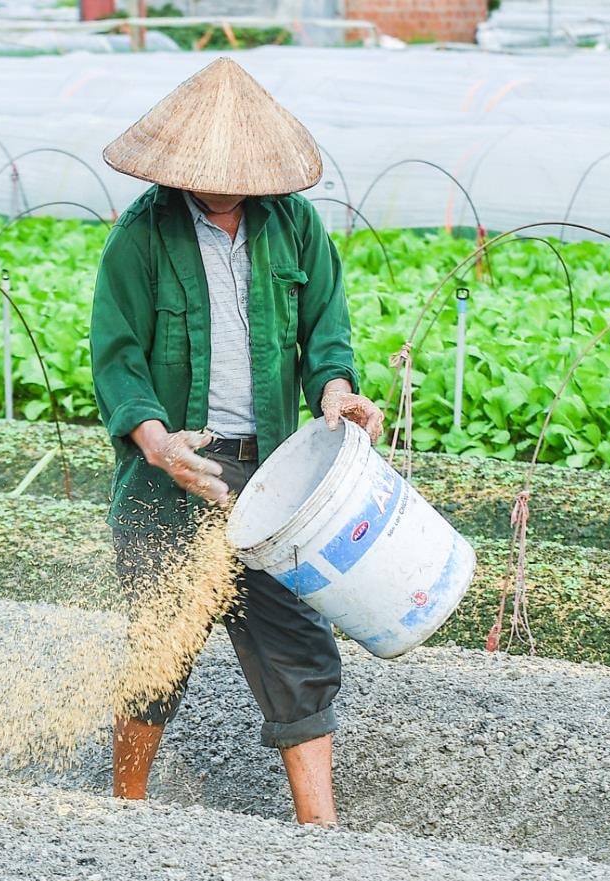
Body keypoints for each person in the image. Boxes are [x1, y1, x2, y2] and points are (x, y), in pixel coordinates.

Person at [90, 58, 384, 824]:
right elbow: (117, 359)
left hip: (272, 476)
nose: (222, 186)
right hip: (173, 475)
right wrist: (158, 445)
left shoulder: (295, 227)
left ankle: (320, 829)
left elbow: (327, 333)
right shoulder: (141, 236)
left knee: (300, 648)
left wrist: (336, 392)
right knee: (160, 652)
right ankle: (125, 810)